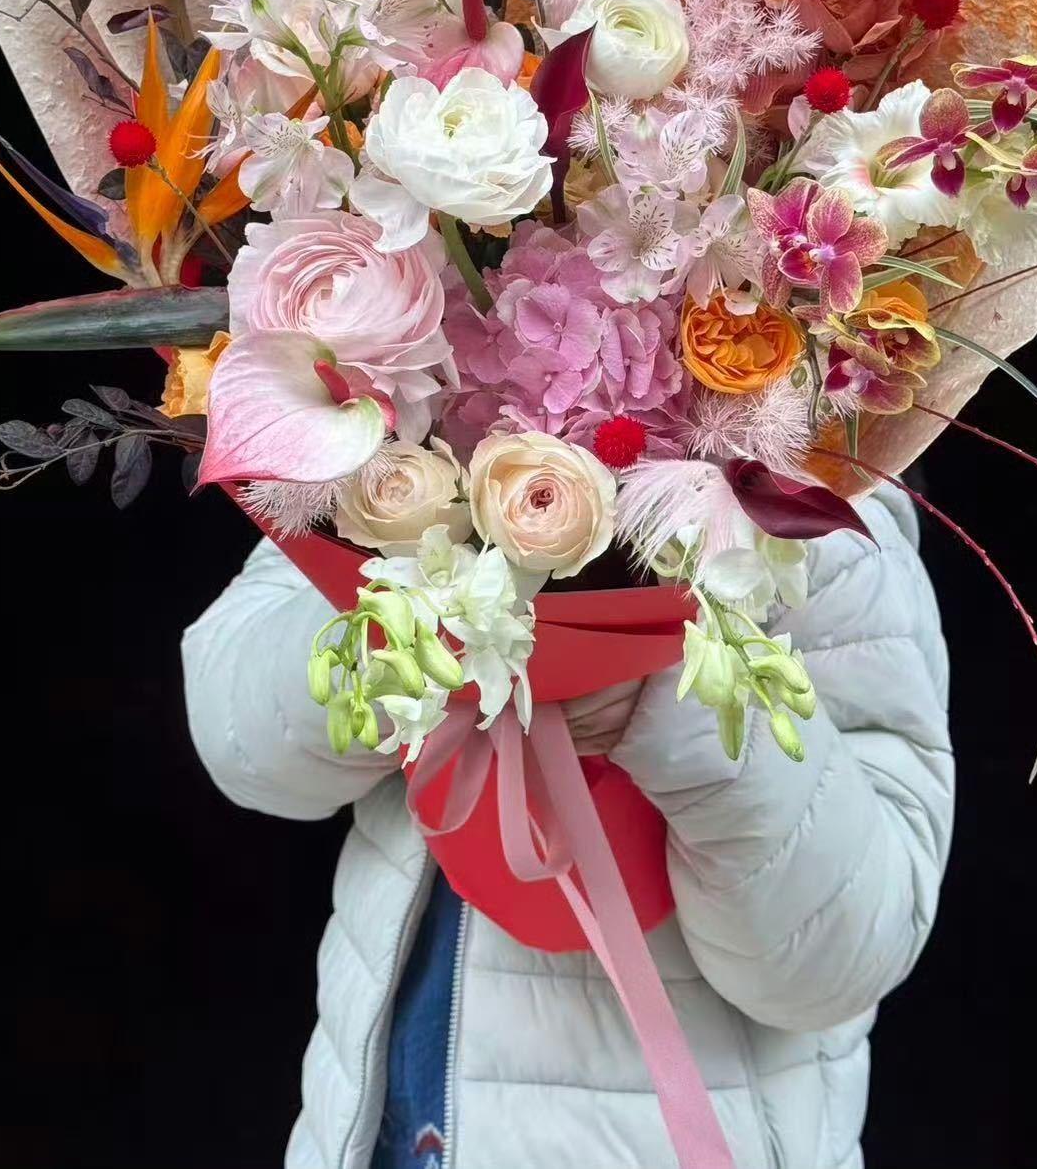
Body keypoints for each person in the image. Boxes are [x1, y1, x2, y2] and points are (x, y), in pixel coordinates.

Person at [182, 484, 953, 1169]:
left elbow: (838, 958)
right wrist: (412, 632)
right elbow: (237, 736)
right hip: (384, 1128)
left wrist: (658, 687)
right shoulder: (388, 466)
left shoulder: (824, 524)